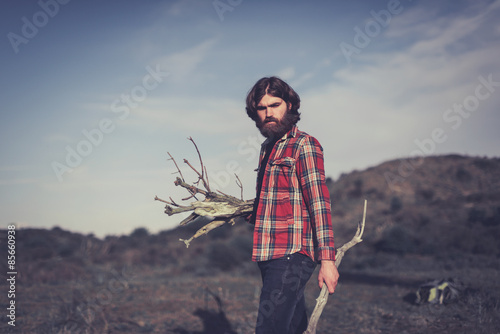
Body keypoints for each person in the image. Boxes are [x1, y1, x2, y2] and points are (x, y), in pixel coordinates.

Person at [245, 76, 339, 334]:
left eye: (274, 105)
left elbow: (319, 202)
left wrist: (327, 259)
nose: (269, 113)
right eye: (262, 108)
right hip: (268, 252)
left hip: (291, 253)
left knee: (270, 328)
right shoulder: (268, 148)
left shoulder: (304, 145)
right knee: (292, 327)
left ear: (289, 105)